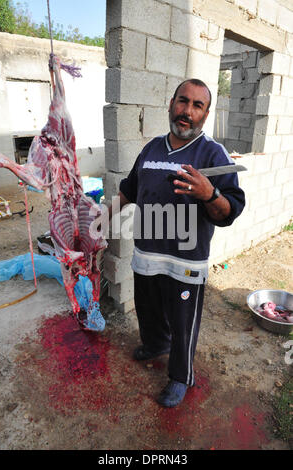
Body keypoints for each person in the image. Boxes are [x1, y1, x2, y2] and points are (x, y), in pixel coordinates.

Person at [109, 79, 245, 407]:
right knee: (149, 312)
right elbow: (129, 188)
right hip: (146, 257)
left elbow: (231, 210)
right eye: (183, 102)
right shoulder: (151, 148)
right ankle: (155, 344)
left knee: (183, 325)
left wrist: (208, 193)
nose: (187, 111)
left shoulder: (213, 154)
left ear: (206, 113)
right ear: (171, 104)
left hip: (185, 265)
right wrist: (99, 219)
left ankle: (181, 376)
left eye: (197, 106)